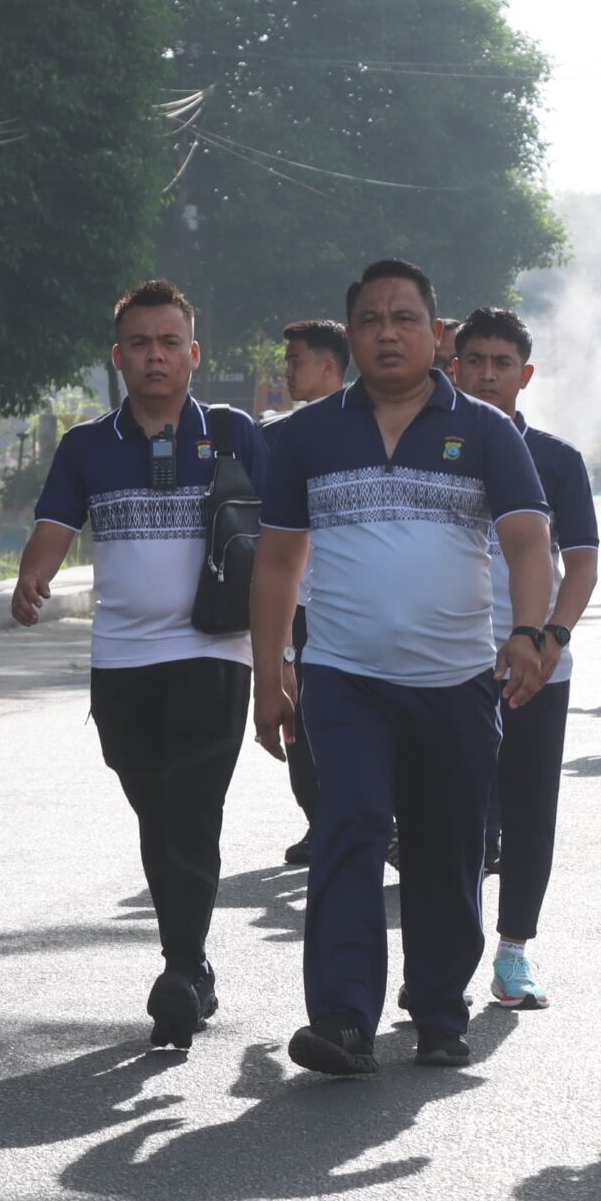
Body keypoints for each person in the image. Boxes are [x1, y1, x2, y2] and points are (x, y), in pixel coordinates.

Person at [250, 259, 555, 1076]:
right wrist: (269, 672)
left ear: (437, 334)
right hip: (344, 678)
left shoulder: (486, 432)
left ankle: (439, 1007)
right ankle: (343, 1017)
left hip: (458, 682)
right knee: (347, 828)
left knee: (446, 843)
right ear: (350, 336)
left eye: (405, 317)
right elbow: (278, 564)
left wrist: (530, 632)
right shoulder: (309, 434)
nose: (388, 331)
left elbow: (529, 543)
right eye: (371, 319)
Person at [14, 280, 265, 1050]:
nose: (154, 356)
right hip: (121, 662)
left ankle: (181, 973)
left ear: (193, 353)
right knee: (157, 815)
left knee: (190, 810)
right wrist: (34, 578)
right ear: (117, 357)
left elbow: (287, 535)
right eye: (139, 344)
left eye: (168, 343)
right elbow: (55, 524)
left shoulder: (232, 434)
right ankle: (190, 963)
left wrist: (291, 644)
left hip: (213, 653)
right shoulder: (87, 445)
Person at [452, 306, 598, 1010]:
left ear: (525, 373)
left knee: (529, 808)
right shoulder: (432, 446)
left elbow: (582, 567)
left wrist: (549, 636)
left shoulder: (558, 459)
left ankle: (514, 953)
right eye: (473, 359)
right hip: (446, 661)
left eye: (501, 362)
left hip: (537, 666)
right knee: (452, 813)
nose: (486, 374)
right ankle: (451, 951)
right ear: (454, 366)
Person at [268, 317, 351, 867]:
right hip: (296, 600)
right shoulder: (276, 434)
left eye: (296, 360)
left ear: (329, 366)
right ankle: (320, 820)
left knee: (345, 721)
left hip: (349, 603)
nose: (287, 371)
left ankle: (361, 821)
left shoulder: (369, 428)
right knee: (297, 717)